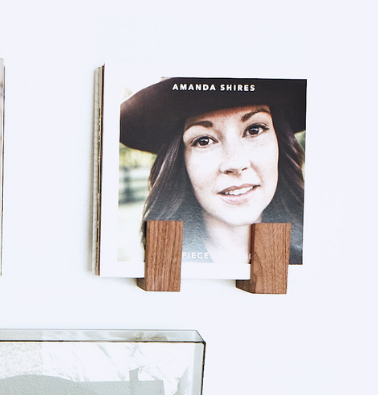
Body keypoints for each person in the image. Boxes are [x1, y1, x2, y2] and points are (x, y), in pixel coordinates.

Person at [120, 77, 306, 265]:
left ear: (280, 142)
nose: (235, 162)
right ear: (179, 161)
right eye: (204, 141)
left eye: (254, 129)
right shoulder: (168, 265)